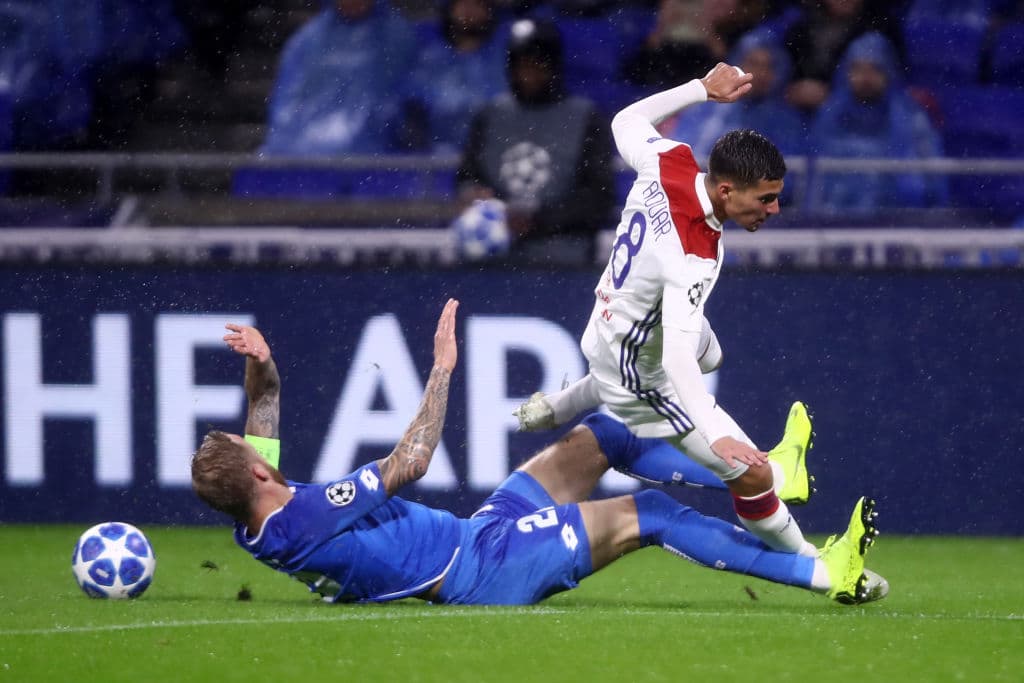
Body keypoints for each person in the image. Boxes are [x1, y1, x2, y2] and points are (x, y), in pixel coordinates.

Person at [191, 300, 888, 606]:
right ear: (256, 471)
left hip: (474, 537)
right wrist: (441, 368)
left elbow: (262, 415)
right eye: (248, 447)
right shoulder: (306, 514)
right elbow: (413, 461)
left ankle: (764, 472)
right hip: (482, 572)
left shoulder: (259, 518)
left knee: (603, 435)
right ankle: (825, 573)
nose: (257, 443)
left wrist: (264, 362)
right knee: (648, 513)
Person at [516, 63, 831, 561]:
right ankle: (812, 560)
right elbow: (677, 360)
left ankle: (558, 406)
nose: (773, 210)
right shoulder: (693, 254)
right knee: (748, 471)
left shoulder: (672, 160)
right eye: (766, 199)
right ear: (727, 191)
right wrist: (717, 433)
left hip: (611, 322)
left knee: (711, 351)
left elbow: (624, 121)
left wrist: (700, 89)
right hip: (635, 369)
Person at [456, 17, 615, 265]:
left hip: (564, 262)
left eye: (538, 61)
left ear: (554, 66)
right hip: (494, 261)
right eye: (522, 63)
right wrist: (474, 194)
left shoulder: (586, 118)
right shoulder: (489, 116)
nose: (529, 72)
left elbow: (599, 198)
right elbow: (467, 176)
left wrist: (540, 221)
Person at [808, 31, 947, 213]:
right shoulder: (829, 115)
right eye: (858, 69)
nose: (866, 77)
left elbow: (930, 184)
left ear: (888, 71)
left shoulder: (912, 117)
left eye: (874, 68)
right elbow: (812, 184)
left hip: (899, 225)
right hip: (835, 226)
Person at [260, 0, 416, 156]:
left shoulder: (396, 36)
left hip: (371, 156)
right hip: (299, 152)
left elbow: (399, 96)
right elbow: (286, 100)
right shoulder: (307, 40)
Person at [402, 0, 508, 153]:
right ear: (450, 8)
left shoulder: (505, 57)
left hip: (494, 157)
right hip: (435, 164)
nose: (469, 11)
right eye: (463, 3)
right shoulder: (427, 60)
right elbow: (409, 104)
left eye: (477, 4)